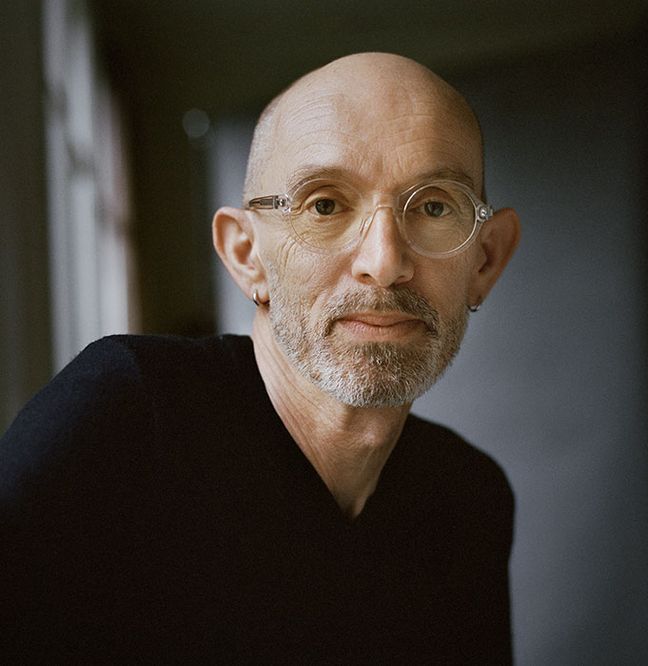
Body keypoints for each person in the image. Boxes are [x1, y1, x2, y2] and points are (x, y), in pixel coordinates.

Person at [0, 52, 520, 663]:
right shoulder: (129, 417)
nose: (383, 262)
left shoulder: (469, 500)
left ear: (485, 261)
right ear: (247, 254)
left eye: (434, 207)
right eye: (324, 205)